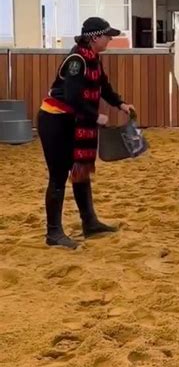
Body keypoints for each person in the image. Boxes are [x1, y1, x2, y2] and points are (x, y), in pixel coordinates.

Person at [37, 17, 135, 249]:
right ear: (94, 38)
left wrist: (120, 104)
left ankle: (89, 223)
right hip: (56, 120)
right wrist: (95, 116)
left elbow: (104, 87)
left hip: (73, 121)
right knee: (59, 175)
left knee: (80, 171)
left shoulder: (93, 59)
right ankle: (54, 232)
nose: (110, 39)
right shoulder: (77, 61)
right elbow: (72, 97)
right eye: (107, 36)